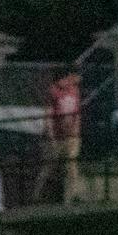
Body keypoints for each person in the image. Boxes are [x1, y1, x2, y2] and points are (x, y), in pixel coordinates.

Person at [36, 64, 88, 204]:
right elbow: (48, 115)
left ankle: (73, 195)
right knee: (49, 166)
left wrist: (76, 130)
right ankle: (37, 194)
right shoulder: (53, 91)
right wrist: (51, 135)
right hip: (57, 136)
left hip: (71, 136)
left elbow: (77, 112)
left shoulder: (74, 91)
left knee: (71, 164)